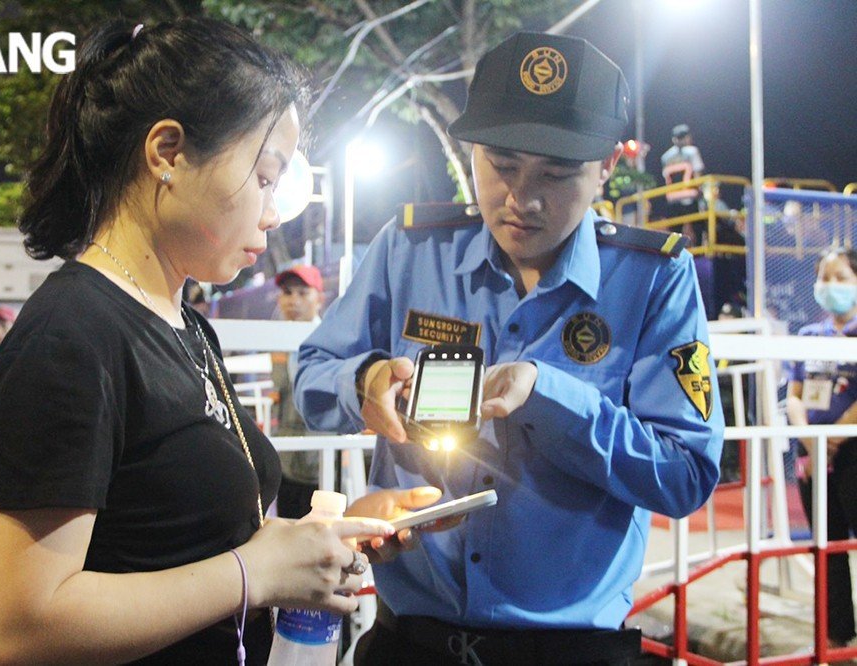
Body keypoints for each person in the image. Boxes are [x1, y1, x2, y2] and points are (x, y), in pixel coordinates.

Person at [0, 18, 392, 665]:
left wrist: (343, 523)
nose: (273, 210)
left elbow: (185, 524)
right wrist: (255, 574)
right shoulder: (72, 334)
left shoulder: (184, 323)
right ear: (167, 151)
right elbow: (18, 629)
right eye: (265, 176)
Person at [295, 31, 724, 665]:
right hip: (409, 643)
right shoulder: (411, 250)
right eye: (500, 164)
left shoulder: (653, 278)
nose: (522, 199)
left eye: (556, 174)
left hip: (571, 651)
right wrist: (363, 383)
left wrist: (548, 396)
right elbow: (312, 375)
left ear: (607, 165)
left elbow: (686, 473)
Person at [785, 248, 857, 650]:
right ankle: (838, 637)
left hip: (850, 452)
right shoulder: (809, 337)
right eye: (824, 277)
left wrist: (832, 440)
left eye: (841, 278)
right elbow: (795, 395)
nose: (830, 286)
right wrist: (812, 441)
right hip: (813, 457)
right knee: (827, 547)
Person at [271, 265, 325, 518]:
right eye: (288, 292)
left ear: (319, 299)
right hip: (286, 461)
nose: (294, 301)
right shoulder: (278, 341)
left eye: (303, 293)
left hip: (320, 462)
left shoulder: (328, 343)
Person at [660, 123, 706, 244]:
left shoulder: (666, 156)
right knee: (697, 228)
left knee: (675, 233)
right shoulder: (692, 151)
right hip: (690, 197)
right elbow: (697, 173)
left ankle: (674, 257)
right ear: (687, 137)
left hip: (673, 199)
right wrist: (702, 193)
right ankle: (699, 256)